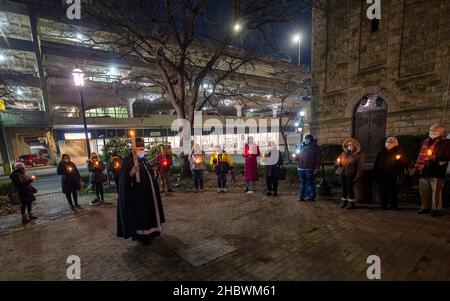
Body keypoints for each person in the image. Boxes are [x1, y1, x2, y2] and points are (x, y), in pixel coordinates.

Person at [117, 137, 165, 244]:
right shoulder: (128, 160)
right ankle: (143, 236)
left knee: (150, 212)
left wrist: (152, 170)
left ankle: (153, 232)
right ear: (134, 149)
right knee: (142, 214)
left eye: (143, 148)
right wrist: (131, 173)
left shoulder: (143, 159)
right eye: (140, 148)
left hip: (149, 193)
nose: (142, 150)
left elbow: (147, 172)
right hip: (138, 194)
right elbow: (124, 179)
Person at [413, 124, 450, 217]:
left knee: (436, 191)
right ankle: (425, 207)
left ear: (441, 132)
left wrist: (435, 157)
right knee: (424, 190)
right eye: (431, 130)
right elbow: (419, 154)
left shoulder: (446, 142)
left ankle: (436, 209)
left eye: (434, 130)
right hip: (424, 169)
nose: (431, 132)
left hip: (437, 170)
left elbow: (448, 156)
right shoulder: (425, 141)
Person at [373, 137, 408, 210]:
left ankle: (394, 205)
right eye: (388, 142)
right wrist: (375, 172)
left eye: (391, 142)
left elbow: (404, 163)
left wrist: (399, 161)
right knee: (383, 190)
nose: (389, 143)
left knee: (394, 191)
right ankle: (383, 205)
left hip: (394, 174)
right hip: (383, 174)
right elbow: (376, 163)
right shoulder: (381, 152)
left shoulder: (399, 152)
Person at [335, 138, 365, 209]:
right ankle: (344, 201)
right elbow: (337, 161)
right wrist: (337, 163)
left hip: (351, 174)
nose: (350, 146)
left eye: (351, 144)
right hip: (343, 173)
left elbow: (360, 167)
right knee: (343, 188)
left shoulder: (358, 155)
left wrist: (357, 176)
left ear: (355, 146)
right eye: (348, 144)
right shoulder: (343, 153)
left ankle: (351, 203)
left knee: (349, 188)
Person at [295, 135, 321, 202]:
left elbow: (318, 159)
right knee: (302, 183)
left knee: (310, 183)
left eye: (308, 139)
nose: (306, 140)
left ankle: (311, 196)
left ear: (311, 140)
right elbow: (296, 158)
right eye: (305, 139)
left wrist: (317, 168)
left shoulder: (315, 148)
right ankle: (301, 196)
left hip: (309, 168)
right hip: (300, 168)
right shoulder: (302, 147)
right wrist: (297, 152)